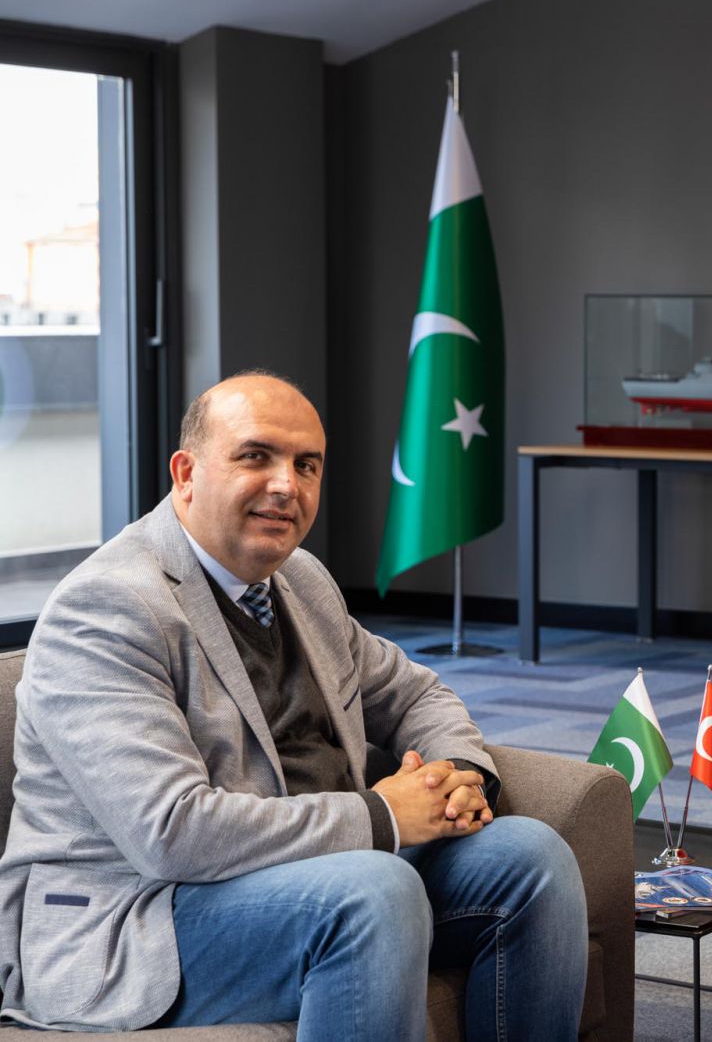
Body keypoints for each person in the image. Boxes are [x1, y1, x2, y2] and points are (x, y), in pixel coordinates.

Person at [0, 372, 588, 1040]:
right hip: (139, 914)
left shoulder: (299, 578)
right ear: (186, 473)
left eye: (307, 465)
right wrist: (384, 815)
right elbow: (172, 832)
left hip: (322, 871)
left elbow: (415, 692)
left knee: (531, 858)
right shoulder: (108, 607)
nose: (287, 484)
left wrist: (459, 775)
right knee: (373, 893)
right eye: (256, 456)